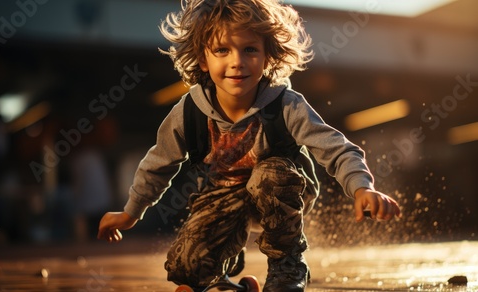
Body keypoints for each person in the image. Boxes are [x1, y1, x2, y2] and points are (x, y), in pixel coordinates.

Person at [98, 0, 401, 291]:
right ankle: (226, 276)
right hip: (226, 196)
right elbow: (158, 163)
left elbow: (336, 148)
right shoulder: (190, 111)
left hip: (280, 191)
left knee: (269, 174)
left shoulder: (286, 105)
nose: (237, 62)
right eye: (222, 50)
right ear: (203, 58)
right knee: (185, 267)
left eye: (250, 50)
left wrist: (362, 187)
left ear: (267, 56)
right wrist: (130, 213)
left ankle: (287, 263)